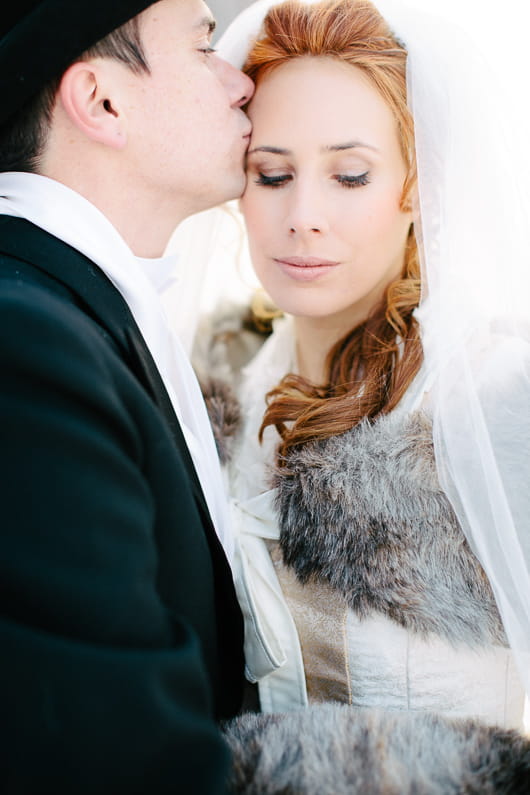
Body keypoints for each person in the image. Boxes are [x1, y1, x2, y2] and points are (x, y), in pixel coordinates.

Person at [192, 0, 530, 741]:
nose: (303, 213)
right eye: (272, 173)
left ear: (419, 187)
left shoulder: (502, 400)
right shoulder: (215, 394)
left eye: (349, 176)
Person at [0, 1, 256, 792]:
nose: (240, 81)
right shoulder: (26, 345)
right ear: (103, 102)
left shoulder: (70, 310)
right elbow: (113, 748)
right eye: (204, 44)